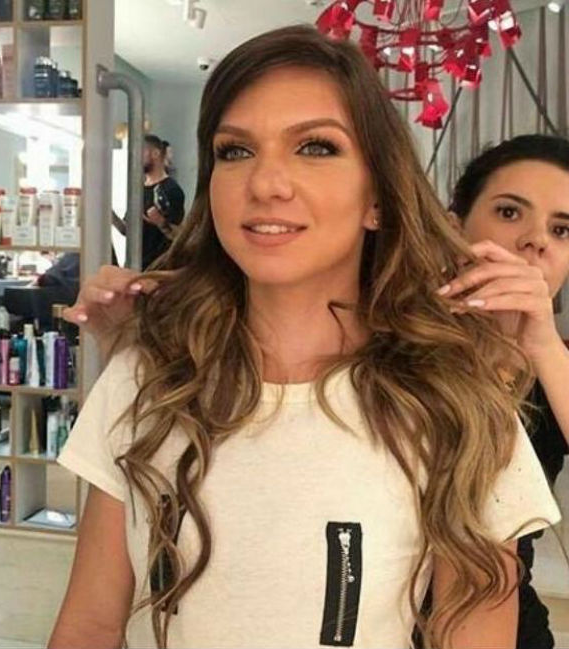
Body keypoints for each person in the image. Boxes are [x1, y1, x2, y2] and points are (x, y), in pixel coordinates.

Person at [49, 26, 560, 649]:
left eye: (316, 147)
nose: (266, 183)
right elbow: (90, 625)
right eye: (235, 151)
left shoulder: (455, 402)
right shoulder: (147, 376)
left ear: (378, 198)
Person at [447, 134, 569, 649]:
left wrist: (542, 342)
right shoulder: (390, 343)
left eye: (561, 229)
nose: (536, 240)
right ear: (454, 228)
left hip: (513, 628)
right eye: (509, 212)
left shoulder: (556, 365)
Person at [112, 134, 185, 269]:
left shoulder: (171, 189)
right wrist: (110, 215)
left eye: (141, 151)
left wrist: (160, 222)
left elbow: (179, 237)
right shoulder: (138, 191)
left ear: (155, 154)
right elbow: (127, 230)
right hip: (136, 267)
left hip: (160, 269)